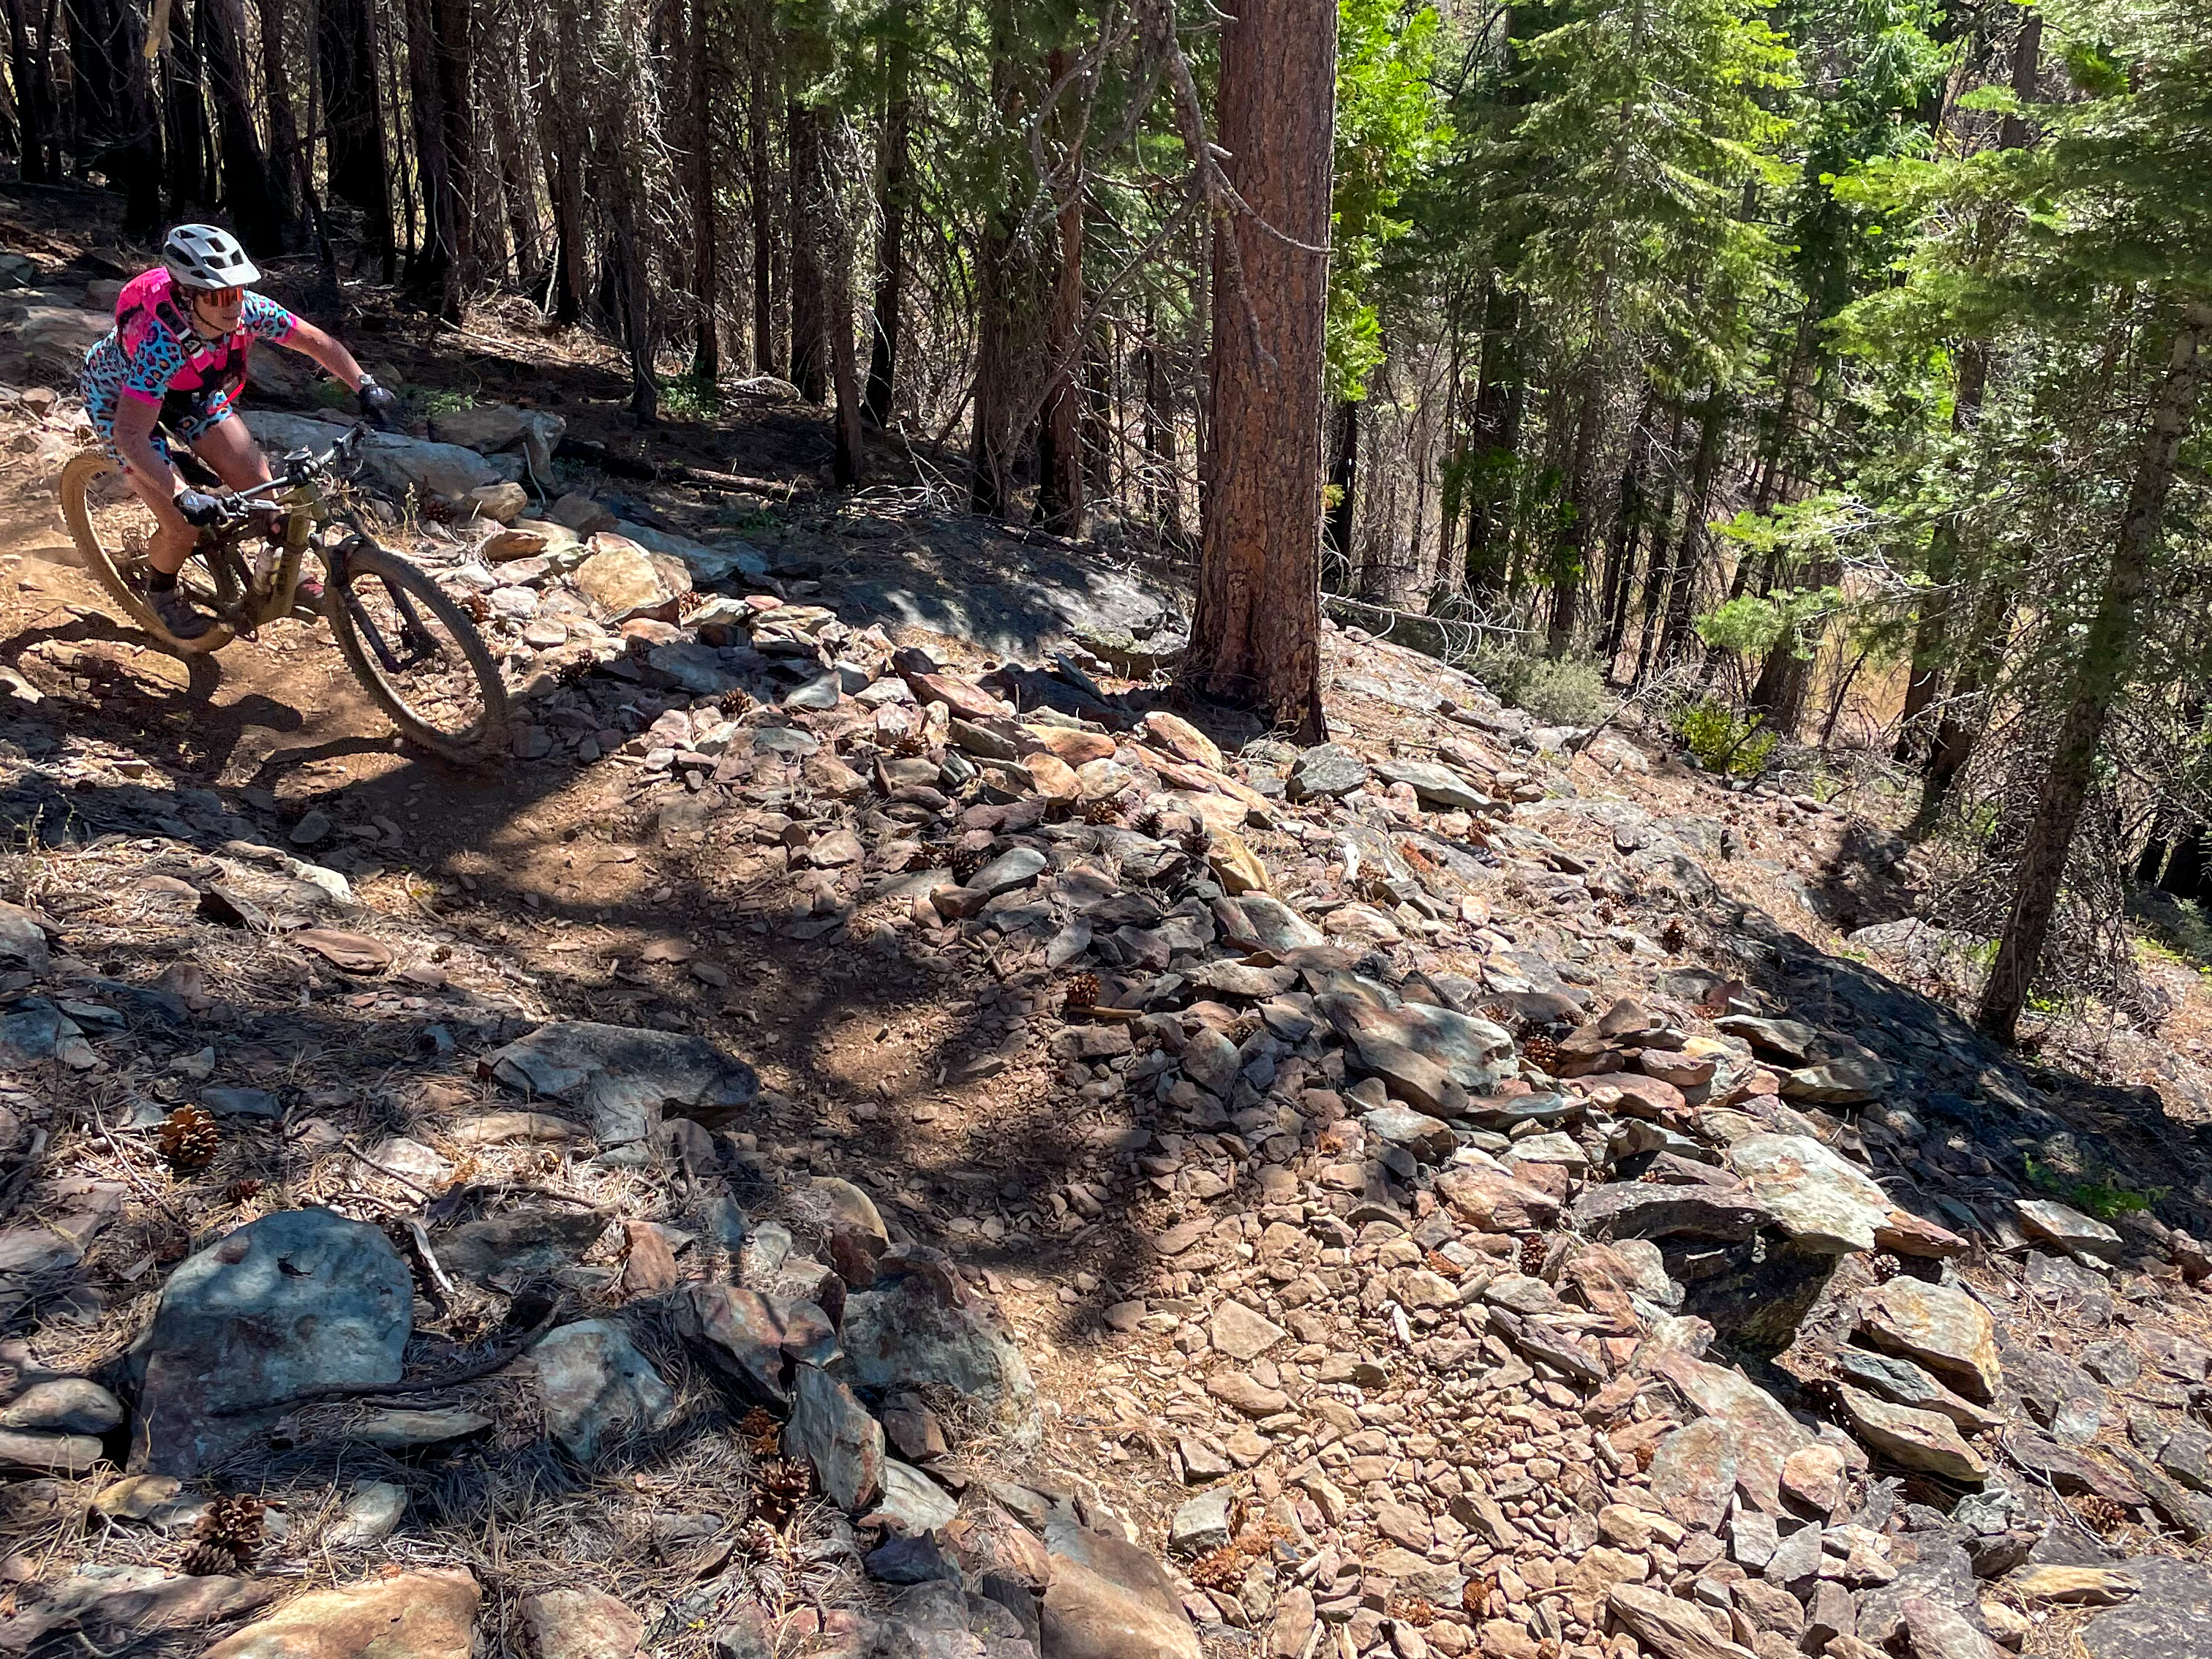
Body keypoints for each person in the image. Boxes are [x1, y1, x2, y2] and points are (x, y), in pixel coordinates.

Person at [79, 223, 401, 639]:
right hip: (119, 402)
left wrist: (365, 384)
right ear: (188, 296)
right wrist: (181, 495)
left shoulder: (249, 310)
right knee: (182, 524)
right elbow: (130, 436)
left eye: (237, 290)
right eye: (218, 296)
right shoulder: (161, 342)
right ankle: (160, 592)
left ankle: (279, 573)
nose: (232, 305)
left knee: (264, 491)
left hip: (188, 392)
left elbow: (314, 341)